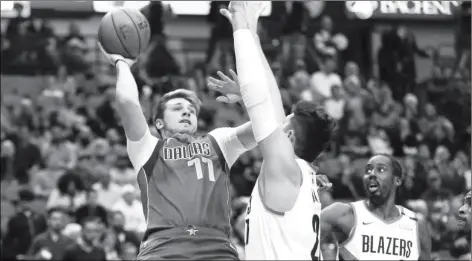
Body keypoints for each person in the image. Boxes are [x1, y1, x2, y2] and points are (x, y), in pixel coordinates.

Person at [98, 9, 295, 257]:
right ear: (158, 122)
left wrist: (246, 100)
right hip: (163, 249)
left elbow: (271, 127)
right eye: (177, 108)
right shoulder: (146, 148)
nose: (186, 112)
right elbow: (127, 102)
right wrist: (122, 63)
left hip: (217, 249)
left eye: (191, 109)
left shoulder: (218, 141)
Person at [216, 2, 335, 259]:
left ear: (289, 137)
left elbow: (259, 100)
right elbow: (271, 100)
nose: (277, 121)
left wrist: (240, 26)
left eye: (285, 123)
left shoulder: (285, 167)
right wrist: (254, 34)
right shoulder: (293, 169)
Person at [320, 154, 432, 260]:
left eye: (381, 170)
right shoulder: (342, 213)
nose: (372, 174)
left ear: (397, 180)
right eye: (368, 170)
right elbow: (305, 240)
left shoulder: (417, 224)